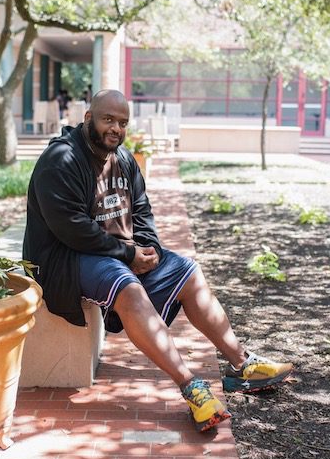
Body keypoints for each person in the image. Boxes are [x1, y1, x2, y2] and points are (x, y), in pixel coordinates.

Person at [23, 89, 293, 433]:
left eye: (123, 123)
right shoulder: (61, 159)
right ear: (88, 118)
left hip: (115, 253)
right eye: (108, 119)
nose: (116, 128)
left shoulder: (123, 159)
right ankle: (192, 388)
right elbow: (71, 227)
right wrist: (128, 255)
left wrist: (147, 249)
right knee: (127, 287)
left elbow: (141, 210)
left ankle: (242, 365)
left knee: (188, 273)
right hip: (66, 258)